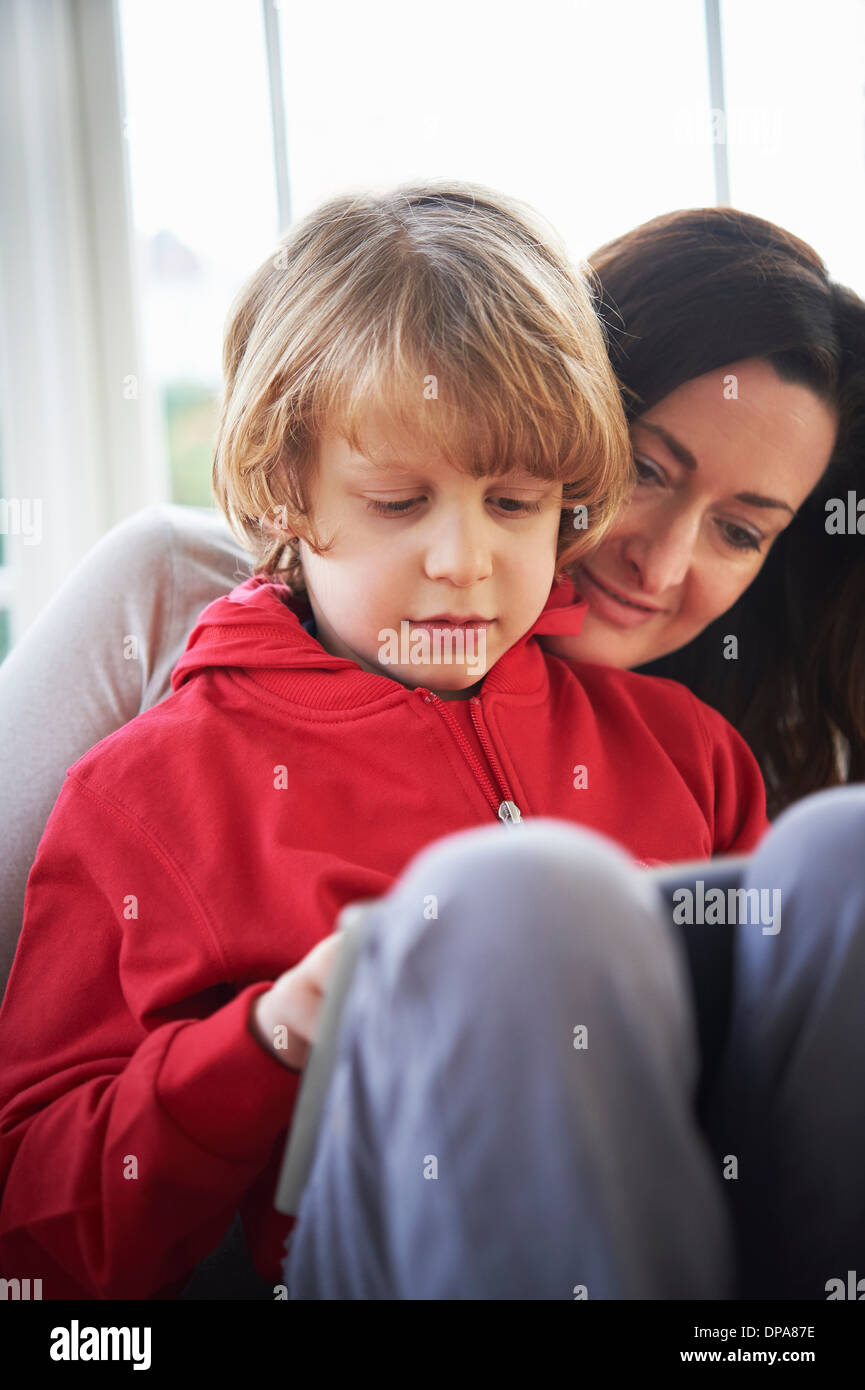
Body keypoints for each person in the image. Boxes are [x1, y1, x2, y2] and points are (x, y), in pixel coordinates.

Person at [0, 182, 769, 1300]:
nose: (462, 560)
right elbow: (31, 1230)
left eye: (514, 505)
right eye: (401, 502)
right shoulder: (148, 794)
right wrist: (262, 1040)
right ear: (282, 495)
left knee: (840, 863)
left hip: (711, 1252)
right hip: (366, 1258)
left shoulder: (683, 747)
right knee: (522, 896)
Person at [2, 209, 863, 994]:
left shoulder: (694, 749)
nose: (662, 564)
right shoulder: (174, 592)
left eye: (741, 531)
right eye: (643, 471)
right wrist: (271, 1036)